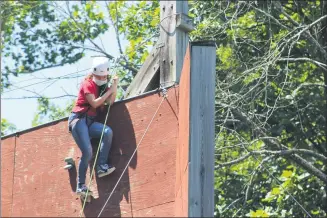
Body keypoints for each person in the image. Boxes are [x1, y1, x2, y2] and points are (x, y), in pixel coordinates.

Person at [68, 57, 118, 195]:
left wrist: (115, 87)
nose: (102, 78)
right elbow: (95, 103)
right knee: (88, 152)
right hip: (79, 120)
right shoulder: (87, 83)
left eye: (104, 75)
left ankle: (102, 166)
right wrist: (109, 91)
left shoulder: (103, 87)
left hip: (89, 122)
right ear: (94, 73)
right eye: (100, 75)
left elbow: (110, 102)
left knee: (107, 132)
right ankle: (81, 186)